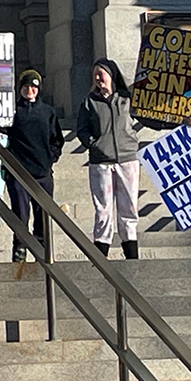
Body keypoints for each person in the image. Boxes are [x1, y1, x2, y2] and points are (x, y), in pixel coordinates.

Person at [0, 69, 64, 262]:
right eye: (26, 86)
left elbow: (57, 139)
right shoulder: (12, 112)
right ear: (20, 88)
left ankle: (42, 247)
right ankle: (20, 248)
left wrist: (50, 158)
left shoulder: (48, 112)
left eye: (33, 86)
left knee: (42, 215)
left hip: (42, 173)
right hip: (18, 173)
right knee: (20, 214)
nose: (30, 90)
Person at [76, 58, 141, 259]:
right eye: (95, 74)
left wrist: (182, 121)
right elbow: (82, 130)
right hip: (100, 164)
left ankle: (131, 256)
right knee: (103, 209)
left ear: (111, 76)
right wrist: (96, 145)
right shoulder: (89, 102)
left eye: (101, 73)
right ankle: (100, 257)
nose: (98, 78)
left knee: (128, 208)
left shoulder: (127, 99)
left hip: (127, 160)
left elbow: (151, 117)